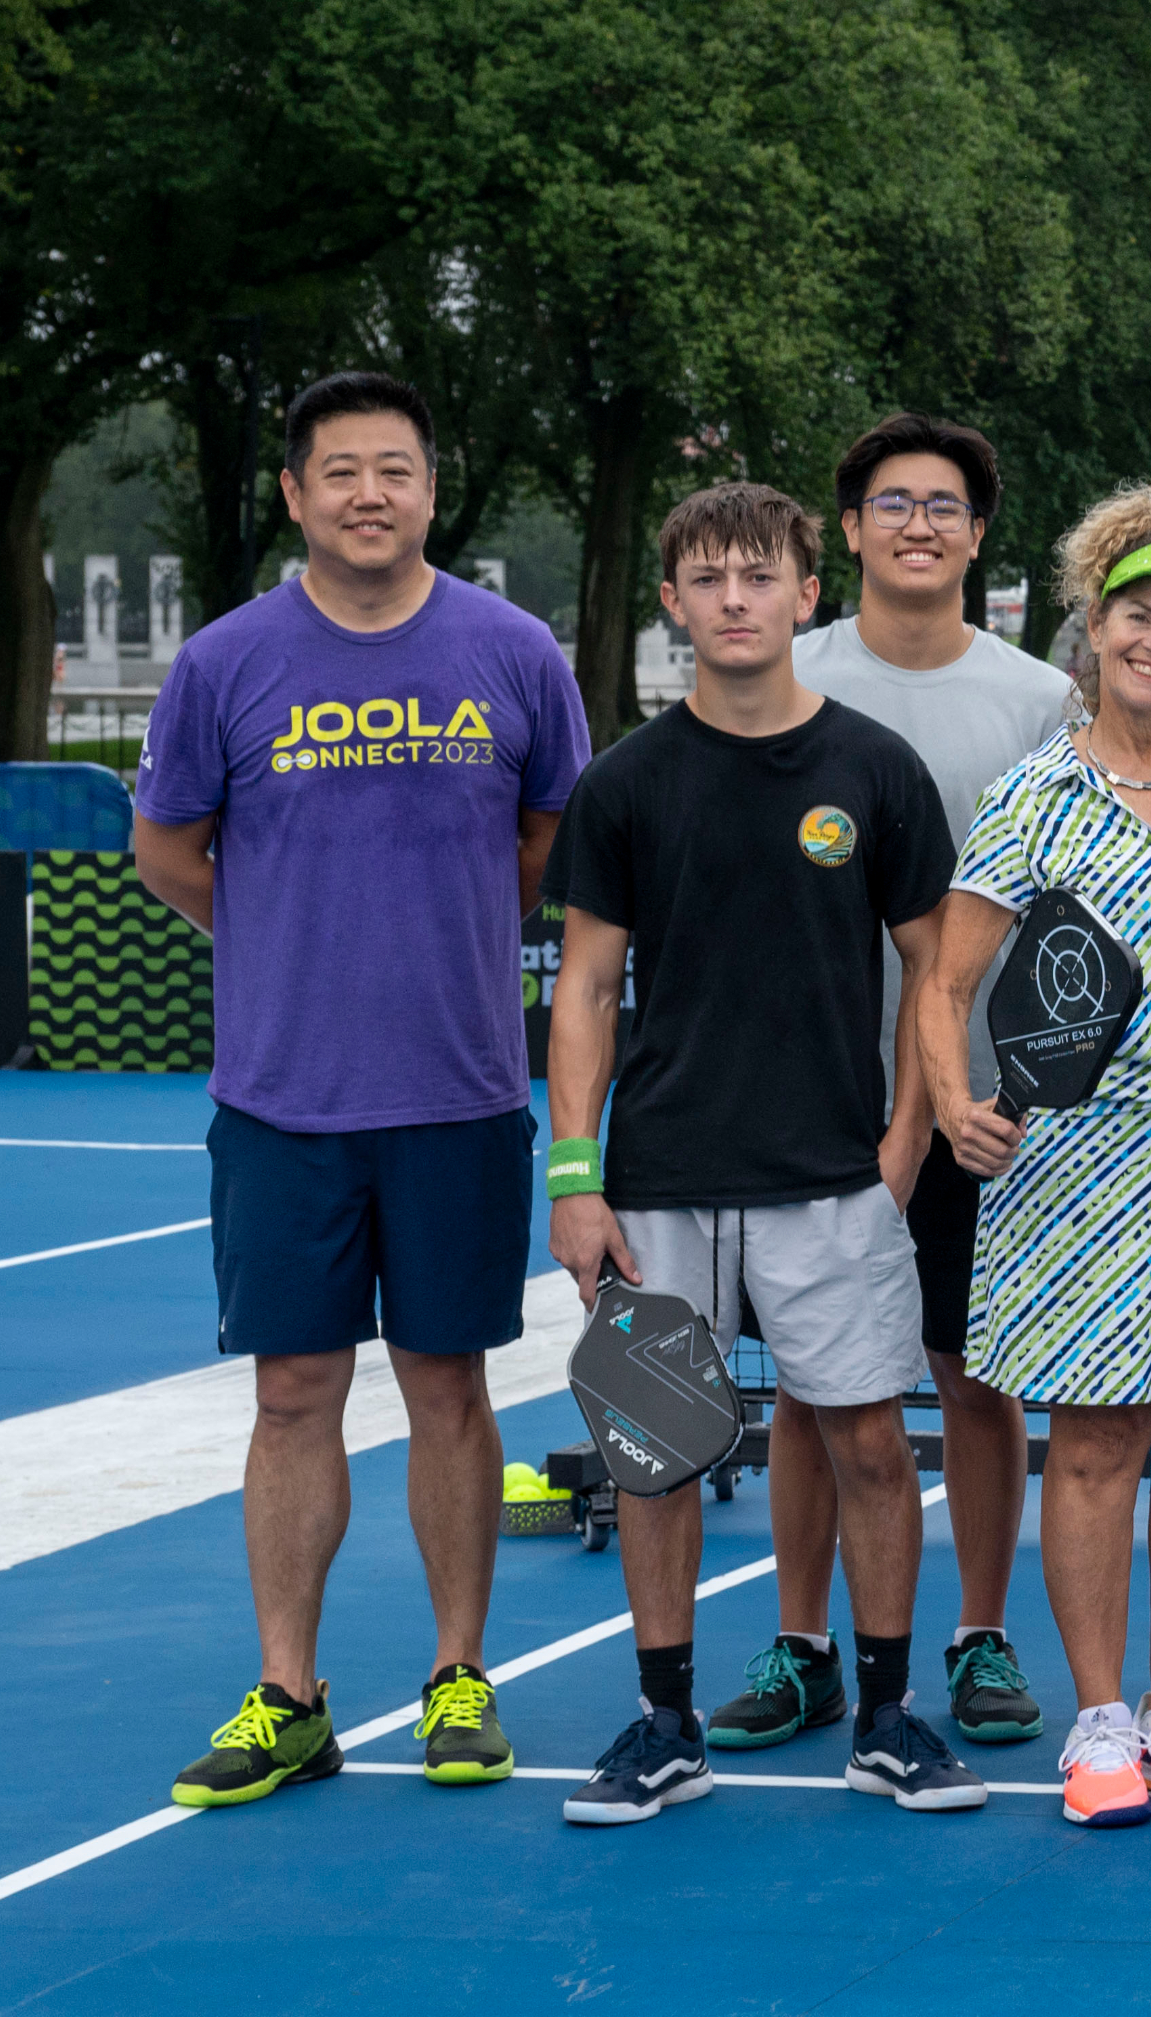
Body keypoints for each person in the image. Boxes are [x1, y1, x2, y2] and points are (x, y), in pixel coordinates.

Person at [137, 371, 589, 1809]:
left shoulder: (516, 654)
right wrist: (286, 948)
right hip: (281, 1102)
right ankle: (291, 1689)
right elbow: (169, 853)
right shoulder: (224, 664)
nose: (369, 495)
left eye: (393, 469)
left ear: (430, 489)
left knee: (450, 1389)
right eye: (340, 472)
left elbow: (543, 847)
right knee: (292, 1394)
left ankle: (459, 1676)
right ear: (295, 495)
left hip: (459, 1096)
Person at [539, 480, 979, 1827]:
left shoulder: (875, 770)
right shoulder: (622, 783)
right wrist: (574, 1174)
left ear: (805, 592)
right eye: (708, 578)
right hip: (661, 1179)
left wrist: (903, 1144)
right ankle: (666, 1721)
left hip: (832, 1181)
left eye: (759, 575)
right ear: (674, 601)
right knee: (656, 1454)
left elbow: (931, 974)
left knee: (867, 1445)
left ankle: (891, 1714)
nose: (735, 599)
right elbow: (586, 989)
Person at [915, 487, 1151, 1829]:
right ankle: (1097, 1722)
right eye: (1140, 615)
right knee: (1092, 1439)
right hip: (1070, 1169)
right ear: (1094, 627)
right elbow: (946, 976)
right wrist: (956, 1099)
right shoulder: (1031, 794)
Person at [760, 414, 1075, 1754]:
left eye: (945, 506)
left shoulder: (1036, 699)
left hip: (984, 1099)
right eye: (893, 503)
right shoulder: (783, 674)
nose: (919, 525)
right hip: (813, 1084)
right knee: (810, 1383)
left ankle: (980, 1633)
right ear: (849, 530)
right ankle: (804, 1643)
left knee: (974, 1369)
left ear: (979, 534)